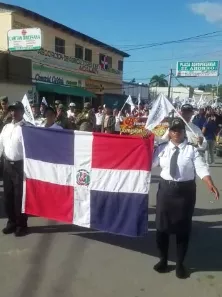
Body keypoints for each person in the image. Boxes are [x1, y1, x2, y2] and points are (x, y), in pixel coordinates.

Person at [152, 118, 219, 279]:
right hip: (166, 191)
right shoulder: (161, 149)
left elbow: (201, 168)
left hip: (185, 193)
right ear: (169, 132)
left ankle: (180, 263)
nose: (176, 133)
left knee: (183, 230)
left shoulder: (192, 150)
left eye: (179, 130)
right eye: (173, 130)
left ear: (183, 132)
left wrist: (209, 182)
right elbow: (148, 163)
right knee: (162, 229)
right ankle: (163, 260)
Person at [0, 101, 33, 237]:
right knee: (7, 196)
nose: (14, 113)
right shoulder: (6, 127)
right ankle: (11, 222)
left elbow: (33, 148)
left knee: (20, 198)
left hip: (21, 167)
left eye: (17, 110)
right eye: (12, 110)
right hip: (7, 165)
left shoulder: (27, 128)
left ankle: (21, 225)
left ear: (23, 112)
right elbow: (1, 144)